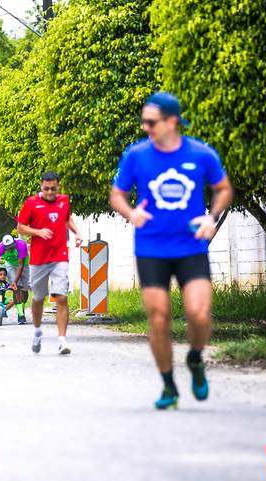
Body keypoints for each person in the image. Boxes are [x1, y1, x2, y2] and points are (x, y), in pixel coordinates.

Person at [110, 91, 233, 410]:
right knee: (159, 318)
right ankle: (168, 384)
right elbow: (117, 195)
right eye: (144, 121)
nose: (146, 127)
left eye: (151, 122)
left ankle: (195, 357)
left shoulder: (201, 153)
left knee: (199, 314)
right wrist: (131, 213)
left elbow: (222, 189)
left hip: (191, 246)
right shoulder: (136, 155)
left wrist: (211, 216)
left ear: (172, 121)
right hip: (151, 247)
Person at [17, 171, 83, 355]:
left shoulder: (64, 200)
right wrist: (38, 232)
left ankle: (62, 340)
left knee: (61, 297)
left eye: (53, 188)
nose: (50, 192)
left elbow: (67, 219)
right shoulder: (31, 203)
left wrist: (77, 233)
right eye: (46, 189)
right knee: (38, 298)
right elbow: (20, 227)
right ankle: (37, 331)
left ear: (58, 186)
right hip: (38, 258)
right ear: (41, 186)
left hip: (59, 256)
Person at [0, 234, 30, 325]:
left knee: (24, 290)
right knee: (16, 288)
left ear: (14, 243)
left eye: (11, 247)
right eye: (7, 248)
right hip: (11, 265)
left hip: (25, 265)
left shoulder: (21, 245)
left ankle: (22, 308)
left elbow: (21, 265)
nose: (10, 249)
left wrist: (15, 281)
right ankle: (21, 315)